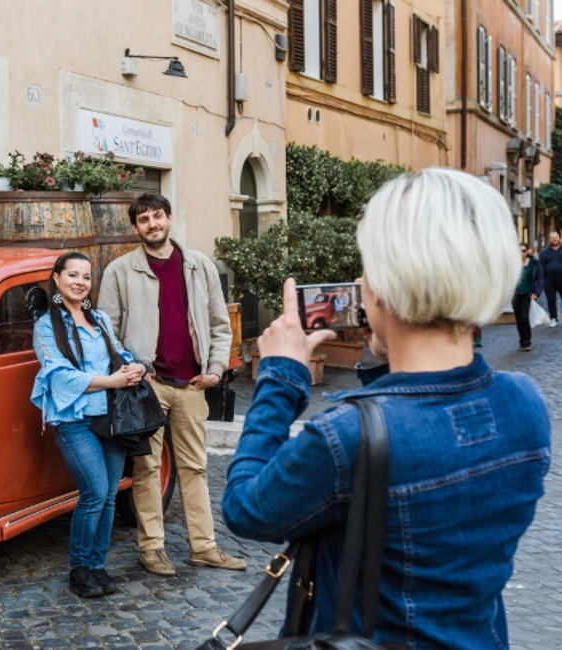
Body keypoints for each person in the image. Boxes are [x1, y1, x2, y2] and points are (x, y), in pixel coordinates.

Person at [222, 168, 550, 647]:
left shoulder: (346, 435)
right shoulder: (525, 401)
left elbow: (246, 508)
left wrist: (280, 374)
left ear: (381, 289)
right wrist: (386, 352)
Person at [97, 193, 245, 575]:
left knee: (195, 467)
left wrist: (215, 369)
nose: (152, 224)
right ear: (135, 228)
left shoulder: (200, 266)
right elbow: (107, 331)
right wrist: (131, 367)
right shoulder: (119, 271)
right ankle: (152, 548)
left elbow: (218, 323)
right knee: (147, 468)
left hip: (193, 384)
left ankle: (204, 547)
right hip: (147, 386)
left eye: (157, 216)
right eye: (144, 219)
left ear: (169, 218)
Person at [30, 252, 146, 598]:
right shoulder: (46, 326)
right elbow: (60, 377)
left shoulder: (101, 319)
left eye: (85, 276)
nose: (80, 282)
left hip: (109, 417)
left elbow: (119, 354)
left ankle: (97, 565)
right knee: (94, 493)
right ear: (56, 278)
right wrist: (111, 382)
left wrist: (134, 367)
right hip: (74, 419)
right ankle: (79, 569)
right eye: (72, 275)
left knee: (110, 495)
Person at [513, 243, 544, 351]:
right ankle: (522, 340)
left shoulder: (534, 263)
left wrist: (537, 292)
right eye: (519, 251)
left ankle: (527, 341)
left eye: (523, 251)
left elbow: (539, 278)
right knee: (518, 319)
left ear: (527, 252)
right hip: (516, 295)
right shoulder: (513, 264)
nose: (521, 253)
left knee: (524, 317)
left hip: (528, 294)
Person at [538, 230, 562, 327]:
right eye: (552, 238)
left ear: (559, 237)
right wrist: (541, 282)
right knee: (551, 300)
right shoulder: (544, 252)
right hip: (549, 280)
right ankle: (553, 318)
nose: (554, 239)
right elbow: (541, 267)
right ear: (549, 239)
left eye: (555, 237)